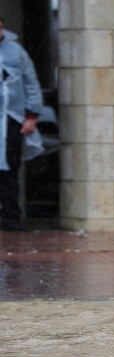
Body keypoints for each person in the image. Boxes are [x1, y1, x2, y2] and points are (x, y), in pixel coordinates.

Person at [0, 16, 43, 232]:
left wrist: (31, 116)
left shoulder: (16, 52)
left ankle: (10, 217)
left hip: (11, 118)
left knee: (9, 166)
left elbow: (31, 82)